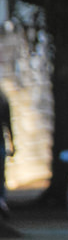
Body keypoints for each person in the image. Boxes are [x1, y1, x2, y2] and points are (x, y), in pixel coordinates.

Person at [0, 87, 14, 218]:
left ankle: (2, 201)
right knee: (1, 174)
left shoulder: (2, 99)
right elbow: (8, 124)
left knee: (1, 174)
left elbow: (7, 123)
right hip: (1, 143)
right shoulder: (3, 99)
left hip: (1, 143)